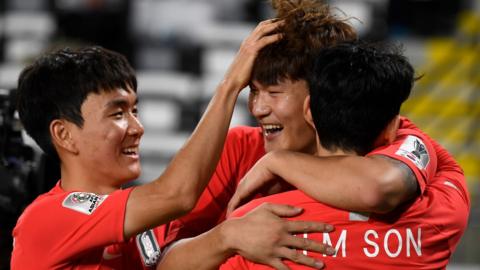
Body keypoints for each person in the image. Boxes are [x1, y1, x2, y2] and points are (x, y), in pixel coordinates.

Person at [155, 1, 456, 269]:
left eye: (274, 92)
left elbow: (378, 186)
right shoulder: (238, 147)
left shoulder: (394, 135)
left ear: (318, 95)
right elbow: (165, 263)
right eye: (252, 91)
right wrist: (226, 236)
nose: (258, 108)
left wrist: (277, 161)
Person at [11, 20, 334, 269]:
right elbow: (177, 194)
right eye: (117, 114)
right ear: (64, 134)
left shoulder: (134, 226)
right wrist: (229, 85)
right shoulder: (47, 218)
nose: (137, 128)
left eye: (135, 111)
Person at [220, 40, 470, 269]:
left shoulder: (257, 225)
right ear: (392, 128)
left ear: (308, 111)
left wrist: (276, 161)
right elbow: (389, 173)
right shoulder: (444, 202)